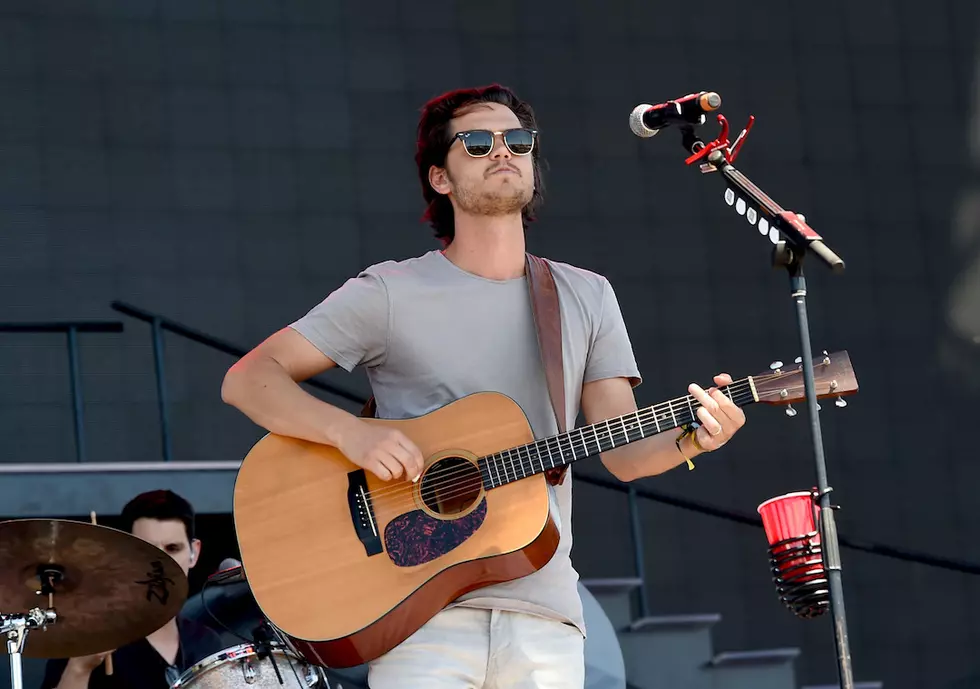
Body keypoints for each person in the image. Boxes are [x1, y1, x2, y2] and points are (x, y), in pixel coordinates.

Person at [220, 83, 746, 689]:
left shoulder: (585, 295)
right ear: (440, 177)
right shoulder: (390, 292)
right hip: (419, 619)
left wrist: (695, 439)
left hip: (545, 617)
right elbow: (250, 378)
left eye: (517, 140)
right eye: (477, 142)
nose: (503, 151)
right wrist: (350, 435)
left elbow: (622, 452)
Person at [40, 490, 226, 689]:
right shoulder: (89, 636)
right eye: (147, 549)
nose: (161, 563)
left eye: (172, 548)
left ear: (193, 553)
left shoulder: (207, 643)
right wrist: (79, 668)